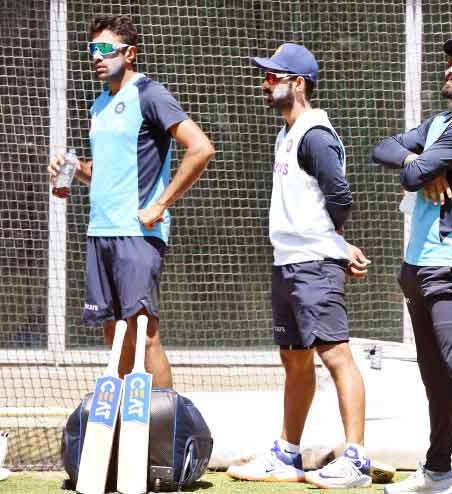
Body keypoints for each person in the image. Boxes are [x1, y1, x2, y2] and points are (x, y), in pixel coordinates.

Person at [225, 43, 372, 489]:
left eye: (274, 76)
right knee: (293, 359)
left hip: (314, 266)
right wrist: (336, 242)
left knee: (336, 355)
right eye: (266, 76)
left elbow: (340, 196)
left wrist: (334, 244)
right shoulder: (286, 134)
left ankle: (356, 460)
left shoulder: (315, 134)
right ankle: (286, 455)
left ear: (299, 83)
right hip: (287, 262)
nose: (265, 83)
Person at [47, 14, 214, 388]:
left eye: (106, 48)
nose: (97, 56)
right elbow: (104, 172)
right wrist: (72, 169)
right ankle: (125, 418)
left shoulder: (149, 94)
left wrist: (161, 204)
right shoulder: (99, 105)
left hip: (138, 233)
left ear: (130, 53)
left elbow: (201, 148)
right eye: (92, 49)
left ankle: (163, 421)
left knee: (144, 335)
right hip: (100, 232)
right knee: (113, 333)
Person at [371, 38, 452, 494]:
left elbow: (411, 176)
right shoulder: (440, 123)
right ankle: (438, 470)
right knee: (434, 374)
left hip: (449, 261)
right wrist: (419, 160)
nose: (451, 68)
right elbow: (384, 149)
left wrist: (420, 167)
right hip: (416, 264)